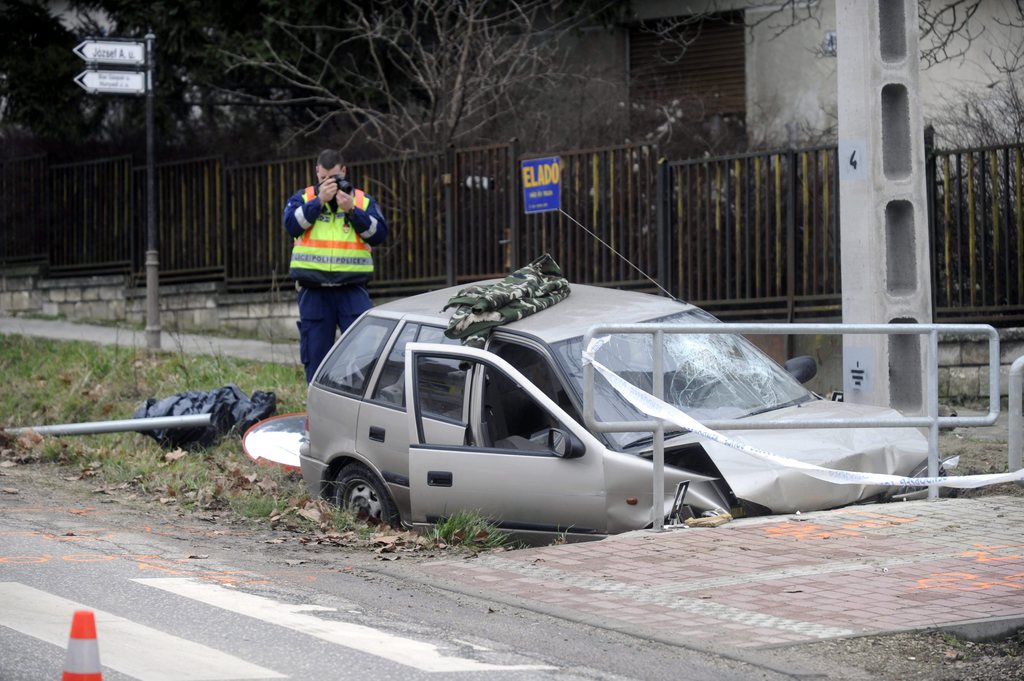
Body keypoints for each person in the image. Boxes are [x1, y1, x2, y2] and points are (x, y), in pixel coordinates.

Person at [283, 149, 388, 382]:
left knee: (364, 357)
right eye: (323, 179)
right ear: (317, 173)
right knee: (317, 360)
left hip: (351, 289)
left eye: (335, 178)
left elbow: (379, 234)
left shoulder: (361, 200)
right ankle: (318, 412)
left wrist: (352, 210)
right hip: (314, 291)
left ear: (344, 171)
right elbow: (291, 225)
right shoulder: (303, 198)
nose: (330, 184)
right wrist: (319, 201)